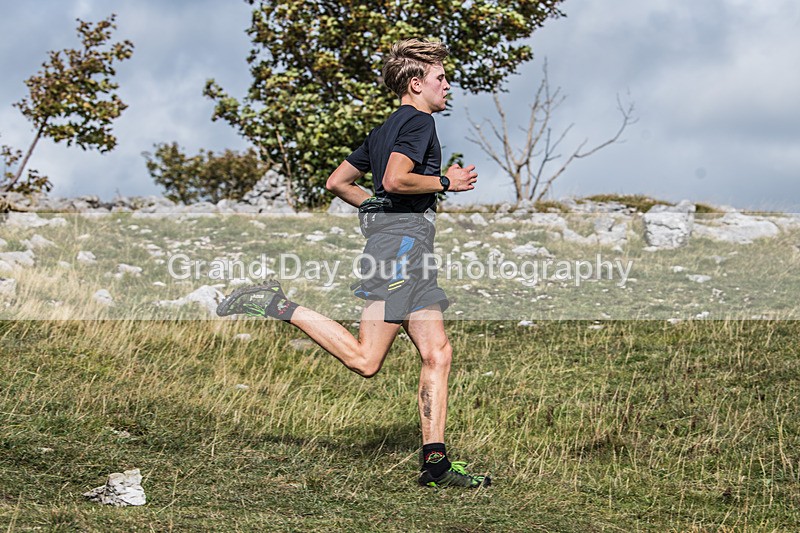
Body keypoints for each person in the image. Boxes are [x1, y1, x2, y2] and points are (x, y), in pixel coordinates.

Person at [216, 38, 489, 489]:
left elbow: (338, 182)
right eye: (440, 78)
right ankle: (276, 304)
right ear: (416, 83)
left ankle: (435, 465)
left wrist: (373, 207)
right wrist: (446, 182)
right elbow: (395, 179)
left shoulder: (384, 130)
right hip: (401, 250)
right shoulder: (419, 122)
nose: (447, 86)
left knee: (437, 352)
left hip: (406, 247)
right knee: (366, 360)